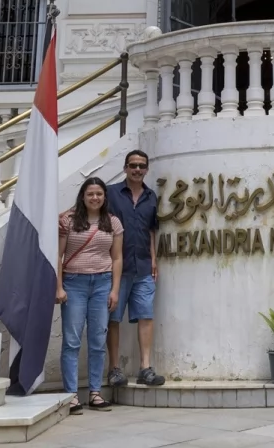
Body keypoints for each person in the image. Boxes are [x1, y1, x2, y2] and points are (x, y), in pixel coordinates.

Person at [57, 177, 123, 413]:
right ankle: (71, 395)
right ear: (82, 197)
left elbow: (117, 258)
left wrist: (115, 290)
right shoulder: (69, 221)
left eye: (99, 194)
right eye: (90, 194)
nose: (95, 198)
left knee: (97, 341)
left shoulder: (113, 222)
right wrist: (59, 287)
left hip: (102, 283)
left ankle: (95, 393)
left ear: (105, 197)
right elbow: (58, 255)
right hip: (74, 283)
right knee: (72, 341)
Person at [105, 150, 165, 387]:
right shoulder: (111, 194)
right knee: (113, 318)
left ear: (147, 169)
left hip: (143, 267)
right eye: (133, 165)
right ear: (125, 168)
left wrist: (153, 259)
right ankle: (114, 369)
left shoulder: (151, 197)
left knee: (146, 316)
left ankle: (145, 368)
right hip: (116, 267)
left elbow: (152, 231)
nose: (137, 170)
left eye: (141, 166)